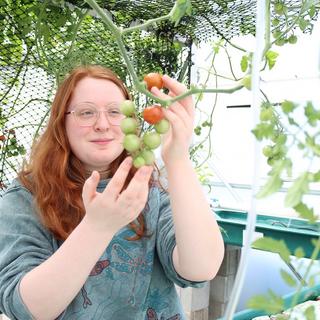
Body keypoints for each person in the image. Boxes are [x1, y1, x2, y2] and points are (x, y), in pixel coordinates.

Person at [0, 65, 224, 320]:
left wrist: (178, 158)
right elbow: (27, 308)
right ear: (61, 122)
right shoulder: (25, 197)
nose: (103, 125)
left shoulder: (147, 184)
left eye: (115, 112)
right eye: (86, 113)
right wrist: (97, 227)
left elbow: (200, 268)